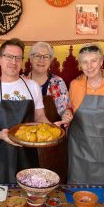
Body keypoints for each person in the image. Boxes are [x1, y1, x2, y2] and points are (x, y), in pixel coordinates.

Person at [0, 38, 50, 183]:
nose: (13, 62)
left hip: (27, 157)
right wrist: (0, 135)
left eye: (18, 58)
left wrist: (51, 127)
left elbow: (40, 116)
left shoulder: (32, 86)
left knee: (26, 201)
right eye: (9, 56)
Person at [68, 43, 104, 184]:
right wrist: (66, 114)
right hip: (79, 147)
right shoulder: (75, 84)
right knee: (77, 186)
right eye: (84, 62)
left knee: (103, 187)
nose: (89, 66)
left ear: (101, 62)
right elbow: (69, 108)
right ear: (80, 64)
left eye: (94, 61)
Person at [25, 41, 72, 183]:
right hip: (27, 141)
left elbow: (64, 108)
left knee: (51, 182)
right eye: (37, 56)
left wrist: (66, 115)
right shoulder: (22, 81)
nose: (41, 60)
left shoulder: (57, 82)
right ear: (30, 59)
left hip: (51, 142)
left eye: (46, 56)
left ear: (51, 60)